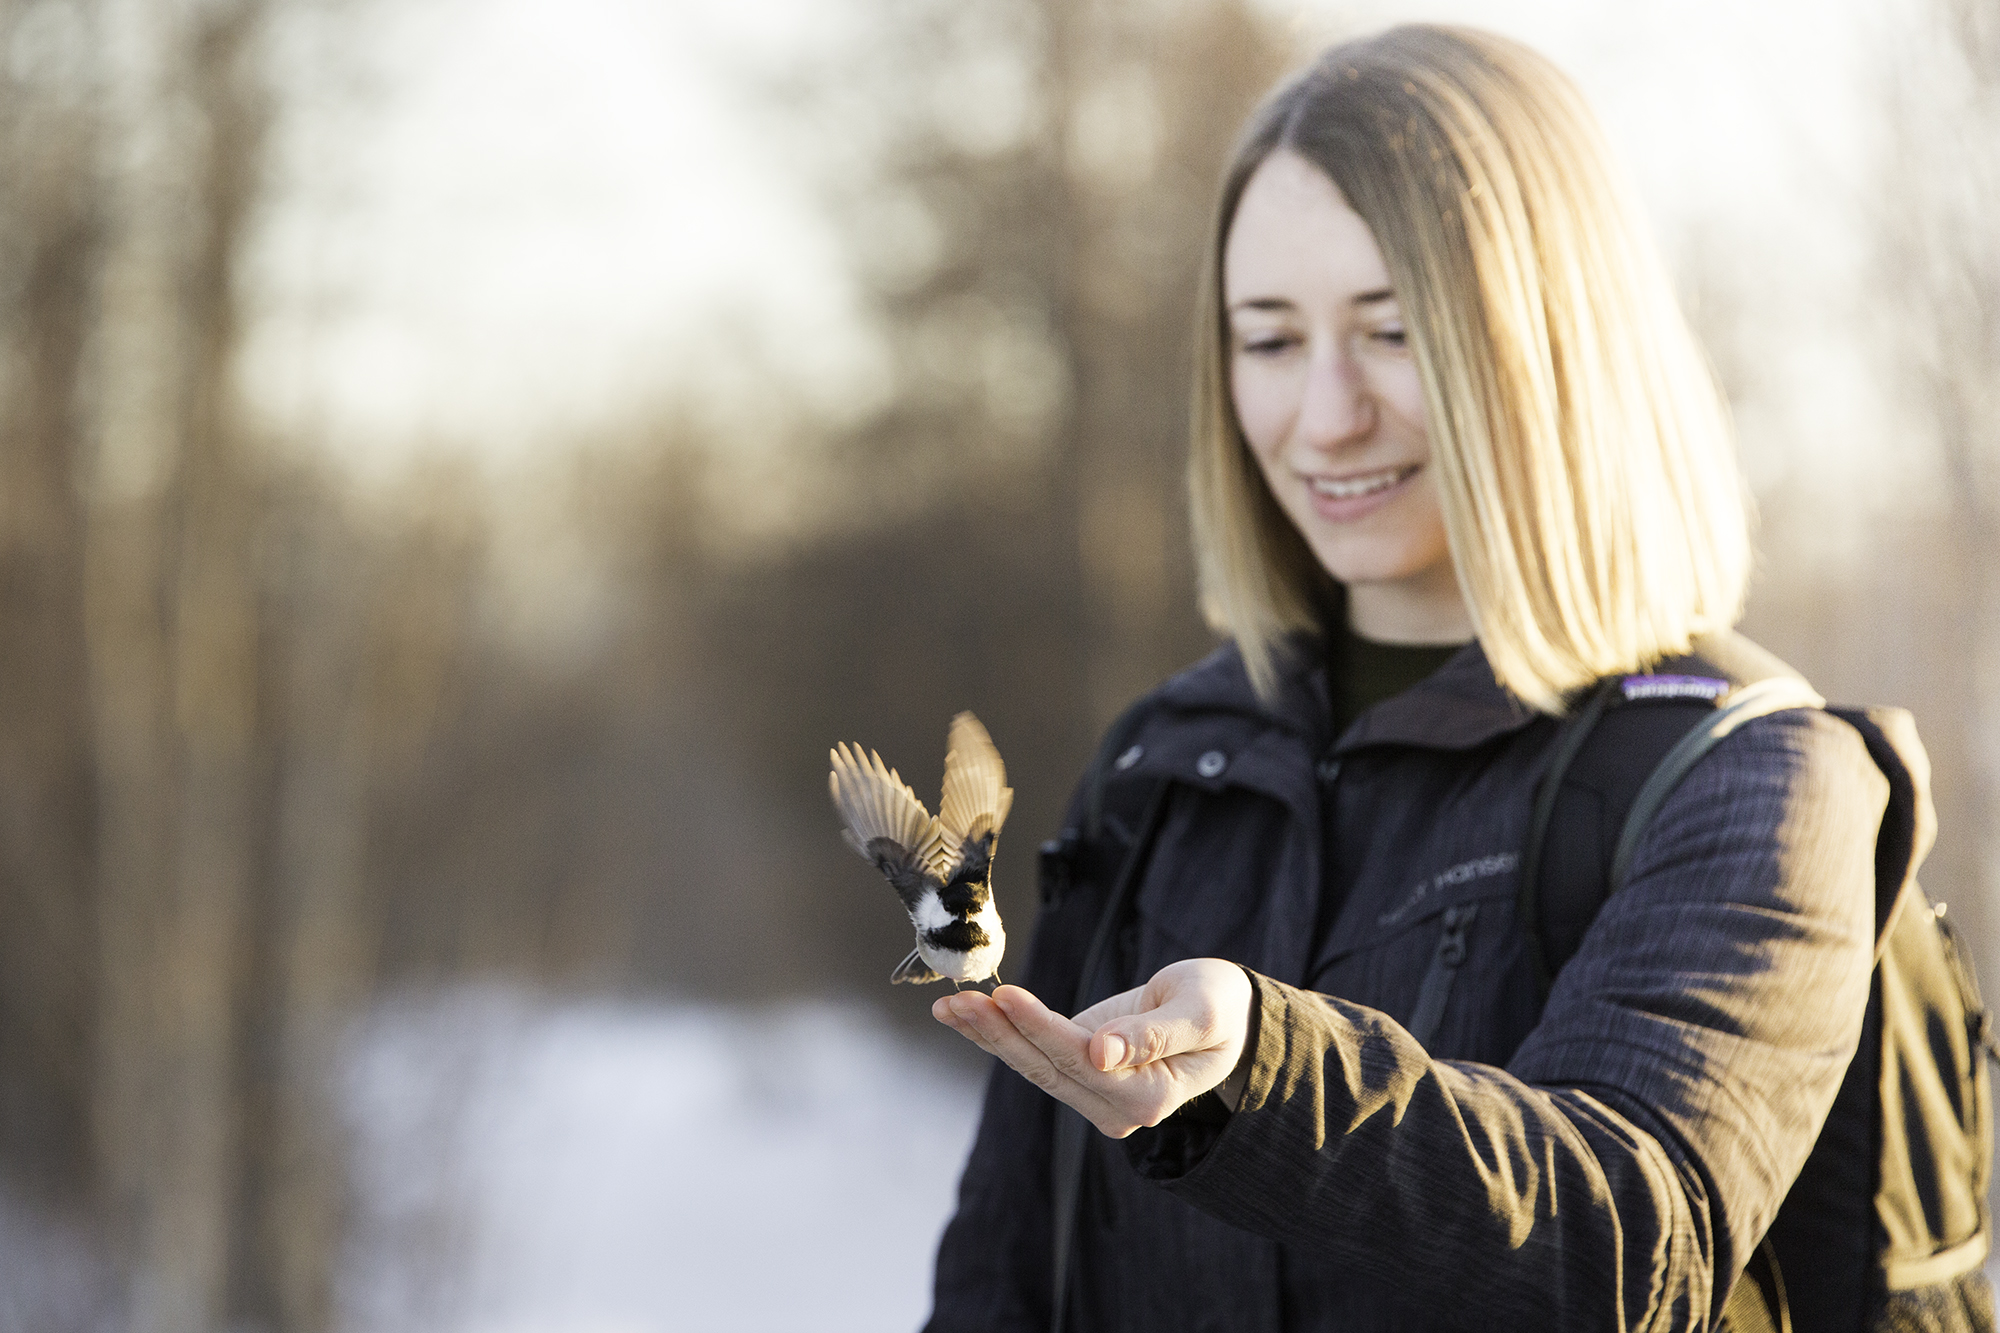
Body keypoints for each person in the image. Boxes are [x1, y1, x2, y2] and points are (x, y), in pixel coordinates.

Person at [920, 23, 1948, 1333]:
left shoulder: (1757, 774)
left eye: (1394, 332)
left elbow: (1636, 1238)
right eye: (1271, 338)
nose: (1326, 414)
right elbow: (1003, 1277)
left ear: (1554, 344)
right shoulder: (1164, 766)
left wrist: (1268, 1071)